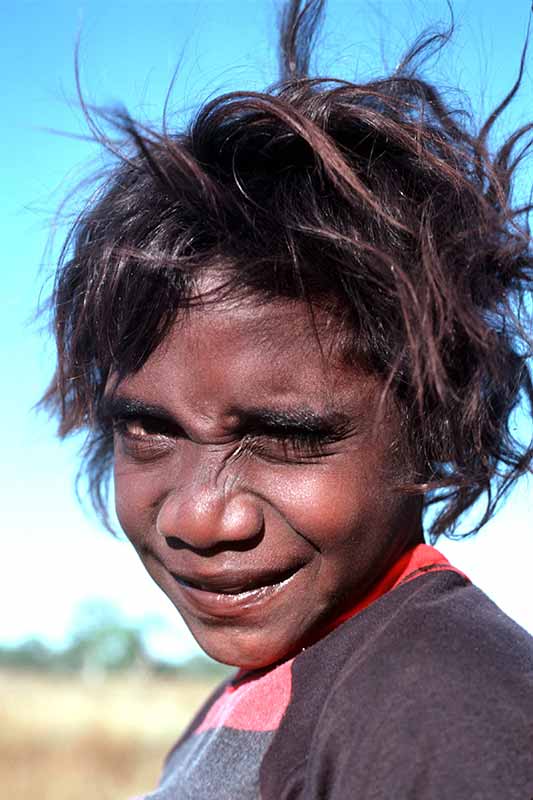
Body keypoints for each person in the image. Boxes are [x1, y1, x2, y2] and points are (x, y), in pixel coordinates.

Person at [43, 1, 533, 797]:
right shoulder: (262, 688)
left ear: (437, 426)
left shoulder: (448, 719)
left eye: (288, 437)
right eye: (148, 431)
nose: (199, 519)